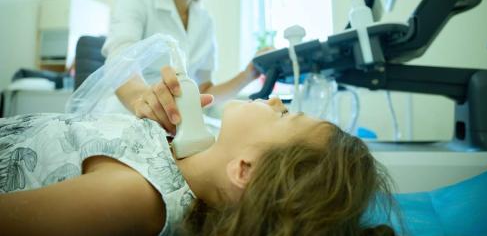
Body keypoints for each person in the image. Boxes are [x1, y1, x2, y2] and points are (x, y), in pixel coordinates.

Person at [0, 96, 395, 235]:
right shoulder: (186, 152)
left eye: (284, 115)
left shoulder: (137, 197)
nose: (275, 101)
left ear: (245, 170)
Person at [102, 0, 260, 134]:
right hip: (128, 118)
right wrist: (145, 102)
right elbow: (122, 60)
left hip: (178, 127)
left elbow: (205, 92)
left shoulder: (204, 20)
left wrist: (249, 74)